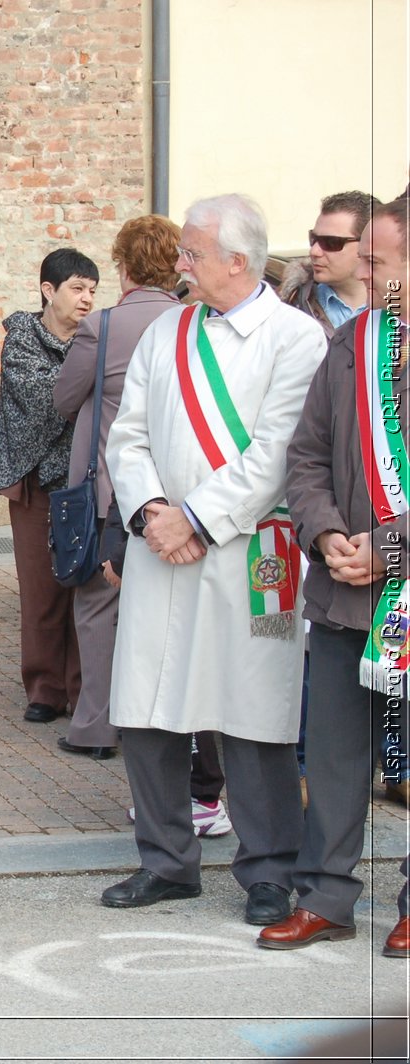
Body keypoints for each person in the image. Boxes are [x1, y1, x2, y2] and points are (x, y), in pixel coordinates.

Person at [100, 194, 327, 923]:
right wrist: (150, 513)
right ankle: (166, 861)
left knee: (255, 710)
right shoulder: (168, 330)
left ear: (238, 260)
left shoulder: (296, 339)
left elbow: (277, 452)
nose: (181, 263)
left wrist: (196, 516)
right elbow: (126, 435)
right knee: (148, 703)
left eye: (194, 252)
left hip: (251, 549)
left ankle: (267, 870)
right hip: (161, 544)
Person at [261, 195, 409, 958]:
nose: (367, 275)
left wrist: (390, 546)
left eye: (381, 263)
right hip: (345, 586)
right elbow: (307, 455)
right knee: (334, 752)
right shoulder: (352, 346)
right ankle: (325, 895)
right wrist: (324, 532)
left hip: (404, 587)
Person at [53, 219, 181, 757]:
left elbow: (63, 399)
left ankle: (98, 727)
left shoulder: (103, 326)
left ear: (124, 266)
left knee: (98, 609)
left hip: (112, 489)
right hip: (177, 492)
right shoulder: (190, 321)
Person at [0, 248, 98, 723]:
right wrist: (85, 383)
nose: (87, 299)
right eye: (77, 288)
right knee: (40, 589)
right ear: (48, 291)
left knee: (84, 588)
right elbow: (46, 398)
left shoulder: (98, 338)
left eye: (93, 289)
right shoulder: (22, 339)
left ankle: (81, 690)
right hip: (34, 480)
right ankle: (45, 689)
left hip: (85, 480)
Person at [279, 191, 377, 339]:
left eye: (331, 242)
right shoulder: (290, 305)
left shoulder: (400, 306)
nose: (314, 251)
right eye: (314, 239)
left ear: (369, 245)